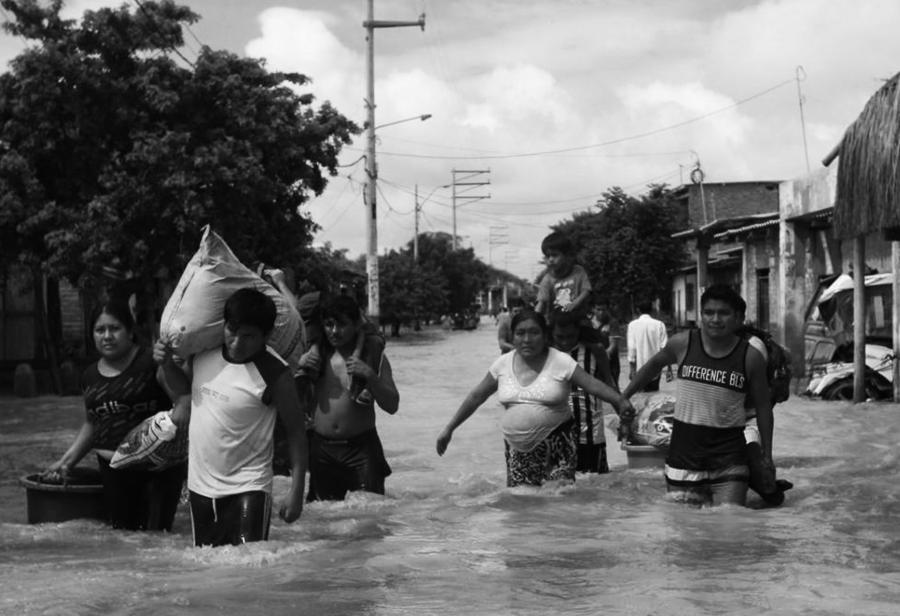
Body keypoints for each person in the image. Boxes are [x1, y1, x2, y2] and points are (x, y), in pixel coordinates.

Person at [154, 287, 308, 546]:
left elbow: (296, 432)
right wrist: (166, 363)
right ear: (224, 325)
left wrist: (297, 492)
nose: (237, 343)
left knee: (249, 567)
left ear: (266, 335)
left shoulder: (275, 372)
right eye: (232, 332)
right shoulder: (203, 354)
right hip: (200, 485)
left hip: (250, 485)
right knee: (209, 569)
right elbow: (181, 393)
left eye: (248, 336)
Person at [436, 309, 636, 487]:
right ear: (512, 337)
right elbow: (476, 396)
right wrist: (449, 428)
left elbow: (592, 384)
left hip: (558, 447)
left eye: (534, 332)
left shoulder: (560, 360)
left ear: (544, 336)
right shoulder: (502, 364)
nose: (527, 339)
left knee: (560, 504)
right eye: (520, 333)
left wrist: (620, 401)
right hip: (518, 452)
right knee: (523, 507)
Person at [622, 285, 774, 507]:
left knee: (732, 525)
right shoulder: (683, 343)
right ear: (701, 316)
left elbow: (763, 408)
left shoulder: (751, 357)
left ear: (739, 319)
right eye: (708, 313)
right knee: (686, 532)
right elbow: (652, 366)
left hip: (730, 457)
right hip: (684, 456)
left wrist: (766, 456)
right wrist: (624, 396)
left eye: (724, 313)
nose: (715, 319)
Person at [43, 300, 186, 531]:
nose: (107, 336)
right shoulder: (89, 376)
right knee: (123, 539)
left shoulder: (153, 363)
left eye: (114, 328)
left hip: (158, 471)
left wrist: (176, 448)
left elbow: (183, 402)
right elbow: (93, 423)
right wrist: (66, 462)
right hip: (113, 472)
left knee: (156, 539)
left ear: (130, 331)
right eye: (100, 330)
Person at [306, 295, 399, 501]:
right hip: (322, 449)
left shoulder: (374, 357)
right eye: (329, 325)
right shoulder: (314, 357)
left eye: (342, 325)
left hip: (361, 449)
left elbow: (392, 405)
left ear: (357, 325)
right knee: (322, 521)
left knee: (370, 519)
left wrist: (370, 376)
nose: (334, 331)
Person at [551, 311, 616, 474]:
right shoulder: (545, 353)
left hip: (591, 431)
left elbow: (610, 385)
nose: (565, 341)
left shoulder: (595, 351)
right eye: (560, 337)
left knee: (594, 484)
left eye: (570, 336)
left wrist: (624, 418)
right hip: (556, 431)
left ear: (579, 332)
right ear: (551, 333)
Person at [534, 232, 592, 321]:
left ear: (567, 256)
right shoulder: (547, 279)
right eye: (547, 256)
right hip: (556, 324)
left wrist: (574, 304)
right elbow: (541, 302)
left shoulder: (578, 271)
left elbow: (586, 290)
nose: (550, 260)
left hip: (578, 320)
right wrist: (534, 319)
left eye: (554, 255)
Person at [626, 301, 670, 392]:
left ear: (638, 310)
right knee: (653, 395)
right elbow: (665, 348)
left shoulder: (632, 325)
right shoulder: (659, 325)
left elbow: (632, 349)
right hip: (655, 369)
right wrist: (669, 369)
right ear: (652, 309)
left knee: (640, 397)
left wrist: (632, 369)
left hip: (639, 369)